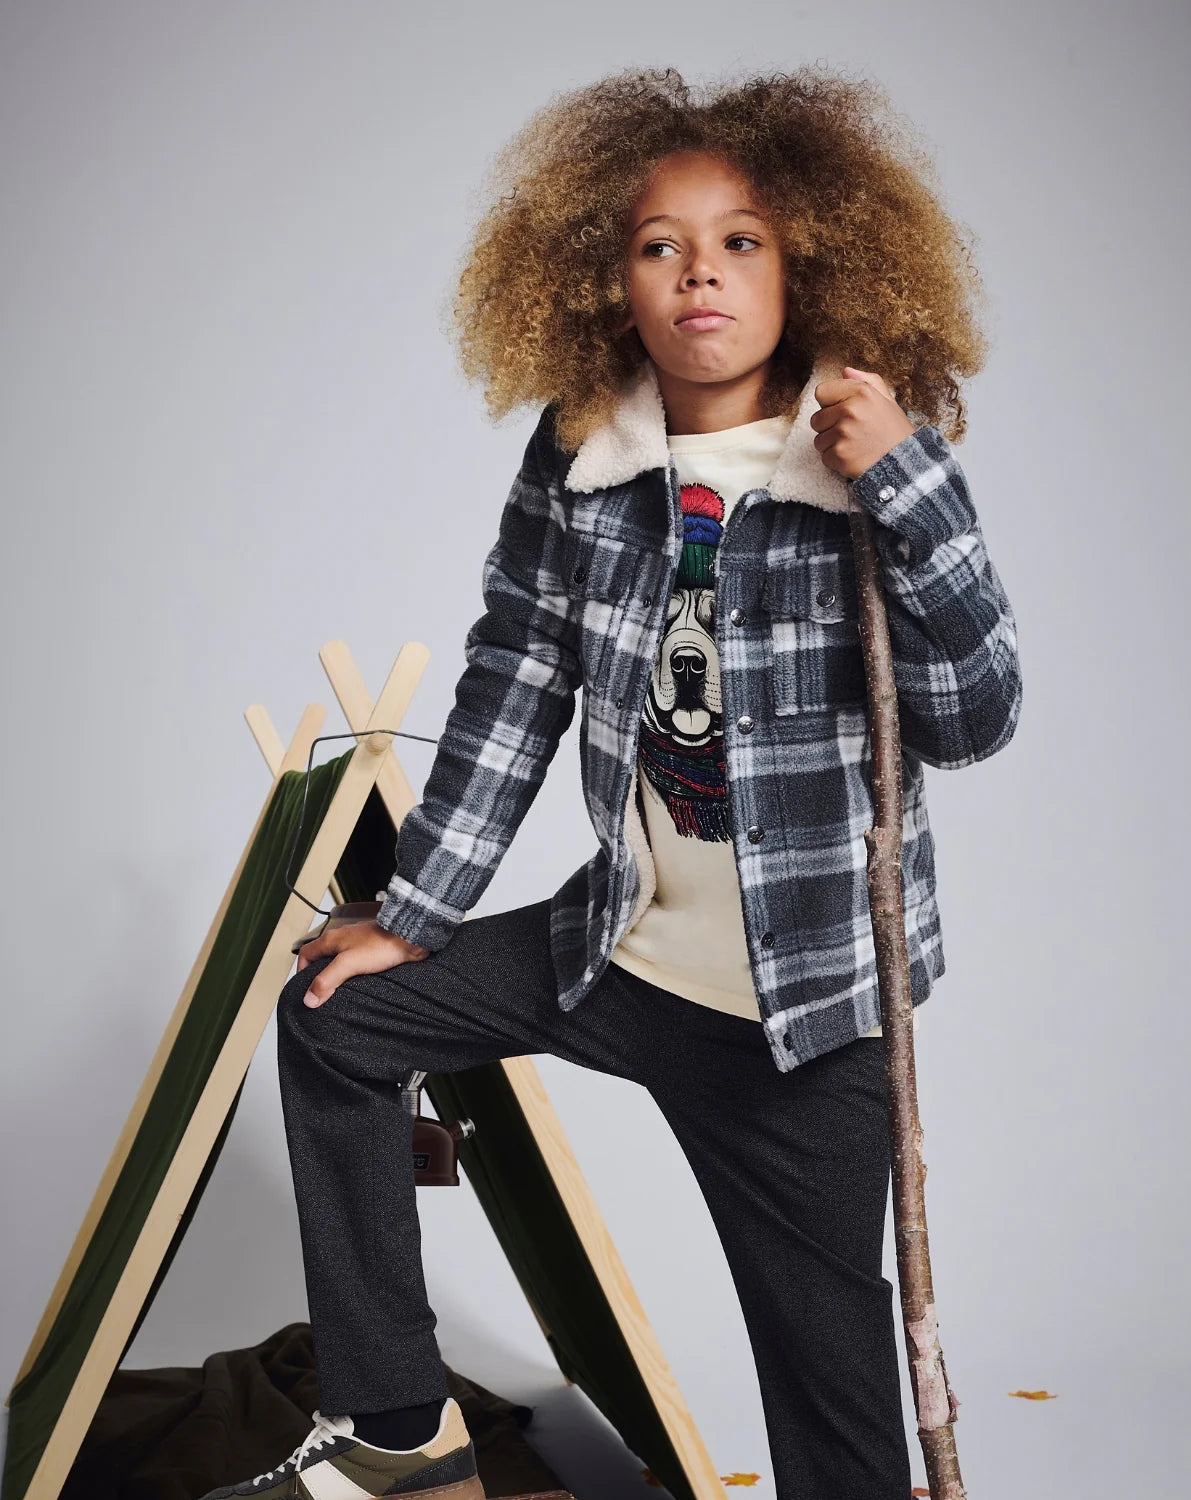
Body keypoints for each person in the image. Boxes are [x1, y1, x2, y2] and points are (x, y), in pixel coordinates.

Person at [201, 65, 1021, 1500]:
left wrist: (908, 486)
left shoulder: (863, 458)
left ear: (809, 262)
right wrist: (420, 910)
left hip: (805, 1024)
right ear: (609, 282)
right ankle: (396, 1434)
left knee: (833, 1407)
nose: (701, 271)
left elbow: (972, 719)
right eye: (661, 244)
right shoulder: (585, 452)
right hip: (617, 956)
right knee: (337, 1014)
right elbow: (520, 669)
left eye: (741, 240)